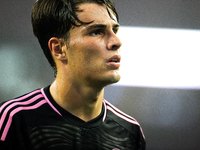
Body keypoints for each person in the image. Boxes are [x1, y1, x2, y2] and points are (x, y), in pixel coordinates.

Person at [0, 0, 145, 149]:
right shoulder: (15, 120)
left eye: (115, 30)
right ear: (58, 49)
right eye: (96, 32)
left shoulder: (130, 132)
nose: (117, 41)